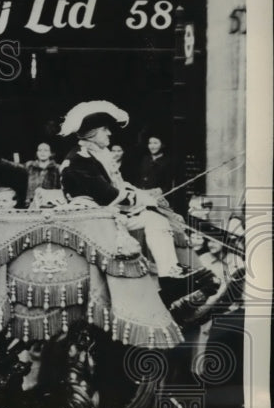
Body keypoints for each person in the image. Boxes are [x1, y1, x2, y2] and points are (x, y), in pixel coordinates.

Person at [59, 108, 186, 281]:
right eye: (105, 129)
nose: (109, 133)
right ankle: (164, 277)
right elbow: (107, 196)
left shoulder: (93, 154)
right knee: (154, 218)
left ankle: (169, 274)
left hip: (103, 213)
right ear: (92, 133)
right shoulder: (80, 159)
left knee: (157, 219)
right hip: (92, 217)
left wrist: (140, 193)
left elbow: (117, 185)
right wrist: (142, 199)